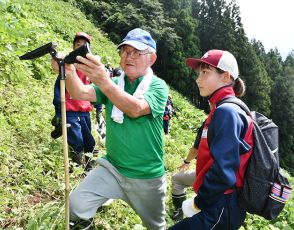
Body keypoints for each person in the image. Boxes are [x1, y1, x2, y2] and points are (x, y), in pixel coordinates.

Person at [52, 28, 168, 229]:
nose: (128, 56)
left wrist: (103, 80)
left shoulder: (157, 86)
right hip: (113, 168)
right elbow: (79, 92)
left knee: (156, 226)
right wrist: (69, 72)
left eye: (136, 52)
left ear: (151, 58)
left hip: (146, 176)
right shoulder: (115, 83)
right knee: (76, 204)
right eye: (124, 51)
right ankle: (85, 223)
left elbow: (135, 108)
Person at [169, 49, 254, 229]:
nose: (198, 79)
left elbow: (224, 171)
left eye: (205, 72)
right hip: (219, 203)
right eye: (199, 73)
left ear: (225, 77)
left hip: (220, 207)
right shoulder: (221, 108)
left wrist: (198, 203)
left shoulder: (227, 112)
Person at [51, 32, 96, 171]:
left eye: (84, 45)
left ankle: (90, 166)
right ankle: (75, 166)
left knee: (89, 140)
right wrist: (59, 112)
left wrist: (97, 107)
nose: (80, 47)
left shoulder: (90, 67)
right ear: (73, 47)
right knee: (76, 139)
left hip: (84, 109)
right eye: (78, 45)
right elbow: (59, 88)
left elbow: (95, 89)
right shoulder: (67, 64)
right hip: (69, 108)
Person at [171, 122, 204, 221]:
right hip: (234, 181)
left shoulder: (212, 120)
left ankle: (179, 211)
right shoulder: (245, 121)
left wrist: (186, 162)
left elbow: (195, 150)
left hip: (210, 175)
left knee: (177, 178)